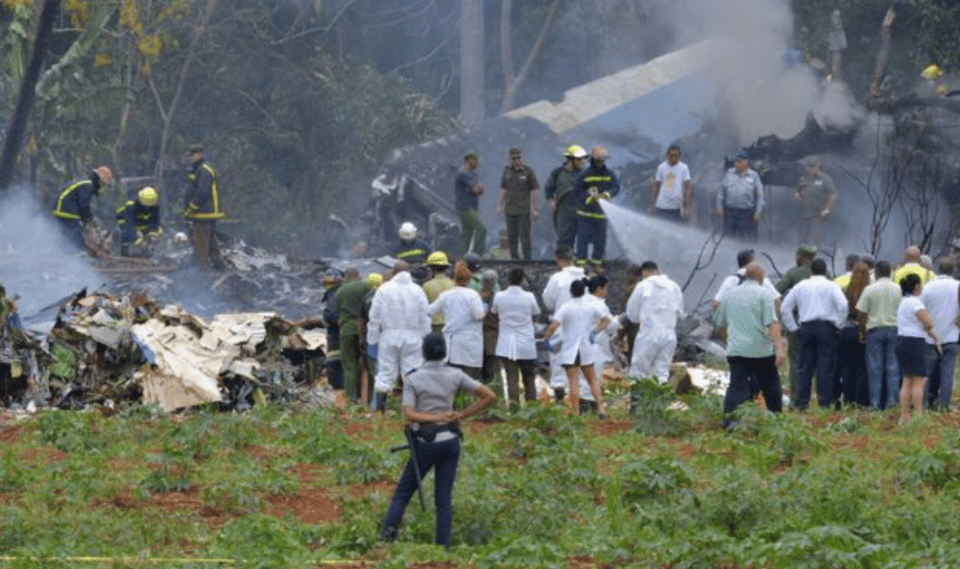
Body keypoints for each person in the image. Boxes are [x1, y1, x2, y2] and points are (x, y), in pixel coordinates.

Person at [379, 332, 495, 548]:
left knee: (403, 493)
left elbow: (410, 414)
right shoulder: (455, 374)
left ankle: (385, 540)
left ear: (423, 352)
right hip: (450, 440)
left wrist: (435, 418)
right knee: (443, 497)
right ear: (444, 352)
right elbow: (489, 395)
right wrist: (461, 415)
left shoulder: (413, 378)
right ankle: (443, 548)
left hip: (425, 442)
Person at [715, 261, 785, 424]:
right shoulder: (764, 294)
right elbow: (772, 323)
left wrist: (729, 342)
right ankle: (776, 419)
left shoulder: (729, 294)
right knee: (771, 385)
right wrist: (779, 348)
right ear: (761, 277)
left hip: (737, 351)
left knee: (736, 386)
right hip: (761, 351)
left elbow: (720, 325)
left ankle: (730, 422)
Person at [780, 258, 847, 409]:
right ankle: (825, 402)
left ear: (810, 271)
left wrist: (792, 327)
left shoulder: (800, 286)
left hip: (805, 327)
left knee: (804, 367)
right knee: (825, 366)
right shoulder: (832, 286)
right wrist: (839, 325)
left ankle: (801, 402)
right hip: (826, 328)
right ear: (825, 271)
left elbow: (785, 308)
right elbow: (843, 306)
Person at [541, 279, 611, 416]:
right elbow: (606, 319)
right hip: (586, 348)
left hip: (570, 349)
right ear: (584, 291)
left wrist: (546, 337)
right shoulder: (590, 306)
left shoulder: (566, 307)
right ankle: (601, 408)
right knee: (592, 380)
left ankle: (575, 411)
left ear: (571, 292)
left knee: (573, 381)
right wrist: (595, 331)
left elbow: (554, 325)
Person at [368, 261, 432, 412]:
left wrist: (372, 341)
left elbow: (374, 318)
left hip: (388, 336)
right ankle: (412, 410)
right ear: (409, 271)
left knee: (385, 372)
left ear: (393, 272)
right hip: (413, 337)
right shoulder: (417, 290)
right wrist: (426, 338)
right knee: (412, 372)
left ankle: (380, 411)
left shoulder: (383, 289)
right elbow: (425, 317)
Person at [623, 261, 684, 385]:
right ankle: (657, 403)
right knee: (661, 372)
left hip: (649, 334)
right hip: (669, 336)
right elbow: (680, 313)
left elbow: (632, 315)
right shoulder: (674, 287)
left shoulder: (642, 286)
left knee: (638, 372)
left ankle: (638, 404)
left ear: (644, 272)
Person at [491, 267, 540, 409]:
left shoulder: (499, 296)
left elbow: (494, 311)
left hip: (506, 344)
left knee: (511, 378)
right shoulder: (529, 296)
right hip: (526, 344)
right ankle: (531, 409)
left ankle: (514, 410)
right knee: (529, 378)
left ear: (508, 279)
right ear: (522, 280)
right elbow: (536, 311)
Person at [856, 260, 902, 409]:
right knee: (893, 367)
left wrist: (862, 330)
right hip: (894, 330)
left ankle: (875, 403)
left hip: (874, 331)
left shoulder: (869, 289)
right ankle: (891, 402)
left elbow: (862, 312)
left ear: (876, 272)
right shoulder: (898, 289)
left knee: (874, 368)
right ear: (890, 271)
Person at [427, 261, 485, 379]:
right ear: (468, 279)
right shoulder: (473, 296)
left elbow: (429, 311)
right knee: (468, 382)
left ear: (454, 279)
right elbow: (479, 315)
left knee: (452, 381)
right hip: (470, 344)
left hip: (451, 345)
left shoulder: (446, 295)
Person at [541, 246, 585, 401]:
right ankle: (578, 394)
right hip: (582, 324)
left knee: (558, 357)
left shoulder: (558, 278)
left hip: (560, 322)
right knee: (580, 358)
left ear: (560, 260)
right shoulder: (585, 276)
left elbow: (548, 300)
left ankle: (559, 393)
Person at [896, 273, 939, 423]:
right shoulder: (916, 303)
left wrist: (932, 335)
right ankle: (919, 415)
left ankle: (904, 415)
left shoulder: (903, 302)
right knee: (918, 381)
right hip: (915, 343)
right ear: (916, 287)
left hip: (902, 341)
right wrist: (931, 329)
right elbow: (928, 322)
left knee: (906, 380)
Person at [776, 245, 818, 397]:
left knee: (796, 360)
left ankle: (797, 394)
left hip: (796, 321)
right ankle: (818, 395)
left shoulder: (793, 274)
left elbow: (776, 290)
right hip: (821, 323)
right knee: (818, 361)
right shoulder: (826, 273)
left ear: (802, 256)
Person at [918, 258, 959, 410]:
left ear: (937, 269)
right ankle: (943, 404)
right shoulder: (958, 287)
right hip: (951, 337)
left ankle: (927, 402)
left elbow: (919, 310)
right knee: (947, 373)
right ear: (954, 270)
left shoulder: (928, 287)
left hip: (930, 338)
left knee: (928, 373)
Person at [572, 146, 620, 266]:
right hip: (585, 215)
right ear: (592, 160)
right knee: (582, 241)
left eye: (602, 161)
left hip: (601, 216)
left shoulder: (609, 174)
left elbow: (616, 188)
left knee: (600, 242)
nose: (600, 163)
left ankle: (596, 265)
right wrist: (589, 199)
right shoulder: (585, 174)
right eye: (598, 161)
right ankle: (581, 266)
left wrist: (605, 194)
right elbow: (578, 191)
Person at [579, 274, 619, 414]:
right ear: (599, 289)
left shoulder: (581, 301)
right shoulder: (598, 305)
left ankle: (584, 408)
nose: (606, 291)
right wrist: (619, 320)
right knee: (591, 378)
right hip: (595, 345)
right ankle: (588, 409)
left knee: (583, 377)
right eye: (605, 288)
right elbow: (611, 326)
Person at [184, 146, 226, 271]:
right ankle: (219, 266)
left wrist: (192, 208)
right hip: (208, 213)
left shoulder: (204, 170)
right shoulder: (200, 170)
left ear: (198, 155)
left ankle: (202, 271)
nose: (189, 159)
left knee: (200, 243)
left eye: (191, 156)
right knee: (211, 240)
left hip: (204, 212)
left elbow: (202, 192)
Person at [52, 165, 113, 251]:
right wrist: (89, 220)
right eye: (103, 184)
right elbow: (84, 204)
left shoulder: (86, 183)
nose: (103, 188)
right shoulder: (88, 185)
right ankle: (79, 260)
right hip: (66, 210)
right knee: (76, 239)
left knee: (65, 237)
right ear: (100, 181)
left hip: (61, 209)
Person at [333, 268, 371, 404]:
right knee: (366, 363)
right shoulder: (366, 287)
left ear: (346, 277)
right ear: (358, 275)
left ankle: (350, 397)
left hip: (346, 330)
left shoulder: (340, 292)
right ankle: (365, 395)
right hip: (366, 330)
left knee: (349, 364)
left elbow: (336, 312)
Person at [837, 262, 871, 406]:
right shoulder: (868, 291)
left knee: (847, 368)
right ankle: (861, 400)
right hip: (861, 332)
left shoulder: (845, 291)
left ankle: (848, 399)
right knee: (862, 368)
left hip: (846, 332)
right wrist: (863, 332)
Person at [497, 147, 539, 260]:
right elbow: (503, 189)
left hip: (524, 210)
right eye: (513, 158)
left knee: (525, 237)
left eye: (518, 157)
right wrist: (499, 205)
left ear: (522, 157)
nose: (516, 160)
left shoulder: (528, 171)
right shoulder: (506, 171)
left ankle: (527, 260)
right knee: (511, 237)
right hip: (510, 210)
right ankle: (514, 259)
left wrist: (534, 209)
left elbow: (534, 190)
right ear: (510, 159)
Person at [710, 248, 781, 313]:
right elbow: (777, 301)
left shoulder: (730, 280)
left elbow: (715, 304)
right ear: (752, 263)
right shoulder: (763, 280)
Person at [544, 145, 588, 250]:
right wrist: (551, 200)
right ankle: (564, 262)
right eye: (579, 159)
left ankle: (579, 263)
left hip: (581, 209)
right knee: (564, 238)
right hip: (564, 210)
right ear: (571, 160)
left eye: (583, 159)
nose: (582, 161)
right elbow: (549, 187)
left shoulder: (585, 174)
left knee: (583, 238)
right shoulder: (558, 173)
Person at [716, 149, 763, 240]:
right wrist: (719, 208)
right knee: (728, 238)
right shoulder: (728, 174)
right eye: (735, 161)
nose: (736, 163)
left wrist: (757, 212)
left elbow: (760, 196)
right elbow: (721, 193)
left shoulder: (754, 176)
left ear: (746, 162)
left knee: (745, 238)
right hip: (730, 212)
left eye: (739, 161)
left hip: (746, 213)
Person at [794, 156, 836, 246]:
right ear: (806, 167)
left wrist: (827, 210)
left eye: (813, 166)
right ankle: (803, 257)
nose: (811, 169)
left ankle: (818, 255)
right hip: (804, 213)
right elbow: (798, 191)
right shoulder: (803, 179)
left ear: (818, 166)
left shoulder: (825, 178)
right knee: (802, 239)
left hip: (818, 213)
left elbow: (832, 195)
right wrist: (797, 195)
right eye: (809, 166)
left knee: (816, 239)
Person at [648, 145, 692, 221]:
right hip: (661, 206)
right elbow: (656, 186)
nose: (674, 158)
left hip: (676, 208)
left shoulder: (684, 168)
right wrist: (651, 206)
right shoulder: (661, 167)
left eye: (676, 156)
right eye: (671, 156)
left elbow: (687, 188)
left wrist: (687, 208)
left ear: (679, 156)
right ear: (667, 156)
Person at [359, 272, 383, 407]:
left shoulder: (365, 298)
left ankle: (370, 403)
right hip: (384, 338)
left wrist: (361, 340)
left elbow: (360, 320)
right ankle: (379, 402)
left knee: (372, 369)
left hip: (370, 338)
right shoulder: (385, 297)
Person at [115, 186, 162, 257]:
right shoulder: (131, 207)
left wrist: (152, 236)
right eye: (147, 207)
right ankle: (124, 255)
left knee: (149, 236)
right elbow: (129, 227)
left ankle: (146, 255)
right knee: (124, 234)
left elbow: (155, 224)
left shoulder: (154, 207)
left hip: (137, 223)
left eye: (151, 206)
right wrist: (139, 242)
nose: (149, 208)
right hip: (123, 221)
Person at [455, 152, 486, 257]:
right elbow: (477, 189)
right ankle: (477, 255)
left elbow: (480, 191)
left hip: (472, 207)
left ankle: (460, 259)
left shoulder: (472, 174)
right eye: (475, 160)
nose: (477, 163)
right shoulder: (463, 174)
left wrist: (478, 188)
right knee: (481, 228)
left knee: (467, 235)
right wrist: (478, 187)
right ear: (469, 160)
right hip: (465, 207)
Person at [477, 269, 502, 386]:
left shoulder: (496, 297)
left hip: (488, 338)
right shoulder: (479, 296)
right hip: (485, 338)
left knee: (490, 369)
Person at [321, 268, 344, 390]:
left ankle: (337, 384)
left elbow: (330, 314)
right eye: (326, 282)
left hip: (335, 331)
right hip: (341, 328)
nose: (327, 285)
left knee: (334, 359)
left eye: (330, 282)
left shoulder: (333, 293)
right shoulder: (340, 292)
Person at [422, 251, 454, 333]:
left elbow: (424, 308)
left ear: (431, 268)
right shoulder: (453, 284)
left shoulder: (427, 285)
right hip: (451, 324)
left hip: (433, 326)